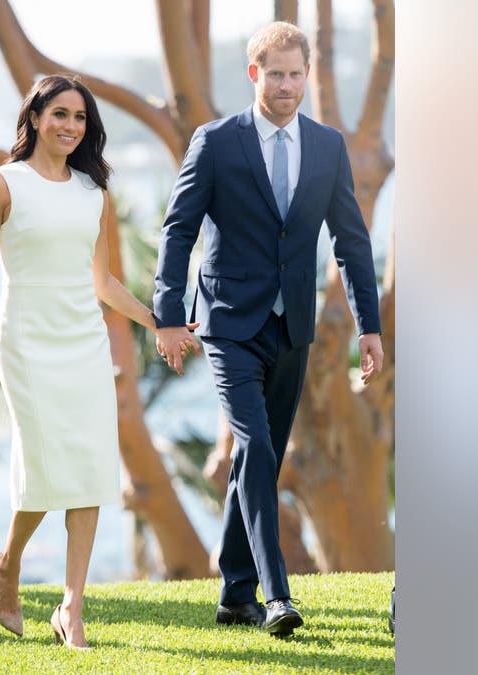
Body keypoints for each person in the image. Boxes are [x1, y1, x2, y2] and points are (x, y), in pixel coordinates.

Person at [153, 21, 385, 638]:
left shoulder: (328, 146)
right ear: (254, 74)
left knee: (261, 457)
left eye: (295, 74)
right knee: (255, 448)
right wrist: (168, 314)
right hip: (228, 321)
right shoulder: (215, 142)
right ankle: (275, 594)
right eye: (275, 74)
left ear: (307, 75)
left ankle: (234, 596)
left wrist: (369, 325)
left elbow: (351, 240)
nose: (286, 85)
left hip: (293, 326)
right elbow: (179, 229)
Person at [0, 74, 178, 650]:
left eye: (80, 118)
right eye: (59, 113)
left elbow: (102, 282)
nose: (70, 126)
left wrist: (157, 322)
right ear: (34, 117)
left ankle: (71, 608)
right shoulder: (1, 185)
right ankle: (9, 565)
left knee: (89, 469)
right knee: (42, 464)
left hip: (84, 342)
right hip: (27, 342)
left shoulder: (92, 192)